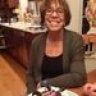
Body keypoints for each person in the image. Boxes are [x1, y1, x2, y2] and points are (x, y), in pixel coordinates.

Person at [27, 0, 87, 94]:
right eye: (49, 11)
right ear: (43, 17)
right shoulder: (36, 42)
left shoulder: (75, 40)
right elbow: (30, 75)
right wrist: (32, 94)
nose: (54, 15)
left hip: (66, 93)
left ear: (66, 18)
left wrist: (45, 83)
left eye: (60, 11)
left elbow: (79, 76)